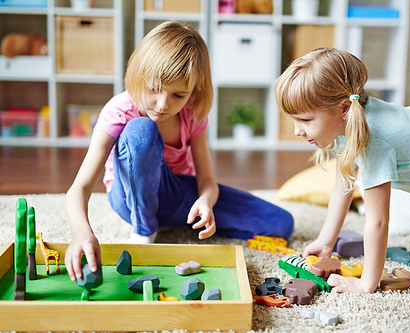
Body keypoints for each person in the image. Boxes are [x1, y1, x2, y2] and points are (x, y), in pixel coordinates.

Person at [64, 21, 293, 281]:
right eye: (154, 88)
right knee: (142, 131)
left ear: (193, 90)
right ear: (137, 73)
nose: (163, 104)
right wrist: (82, 233)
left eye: (178, 95)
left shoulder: (193, 112)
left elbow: (207, 180)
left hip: (178, 198)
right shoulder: (119, 110)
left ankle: (175, 222)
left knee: (281, 224)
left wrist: (205, 202)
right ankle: (145, 227)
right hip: (130, 200)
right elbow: (79, 188)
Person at [275, 47, 410, 294]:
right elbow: (343, 187)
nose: (297, 130)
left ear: (343, 109)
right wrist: (325, 241)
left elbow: (378, 221)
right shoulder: (349, 122)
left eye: (305, 120)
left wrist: (366, 283)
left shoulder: (373, 142)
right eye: (294, 120)